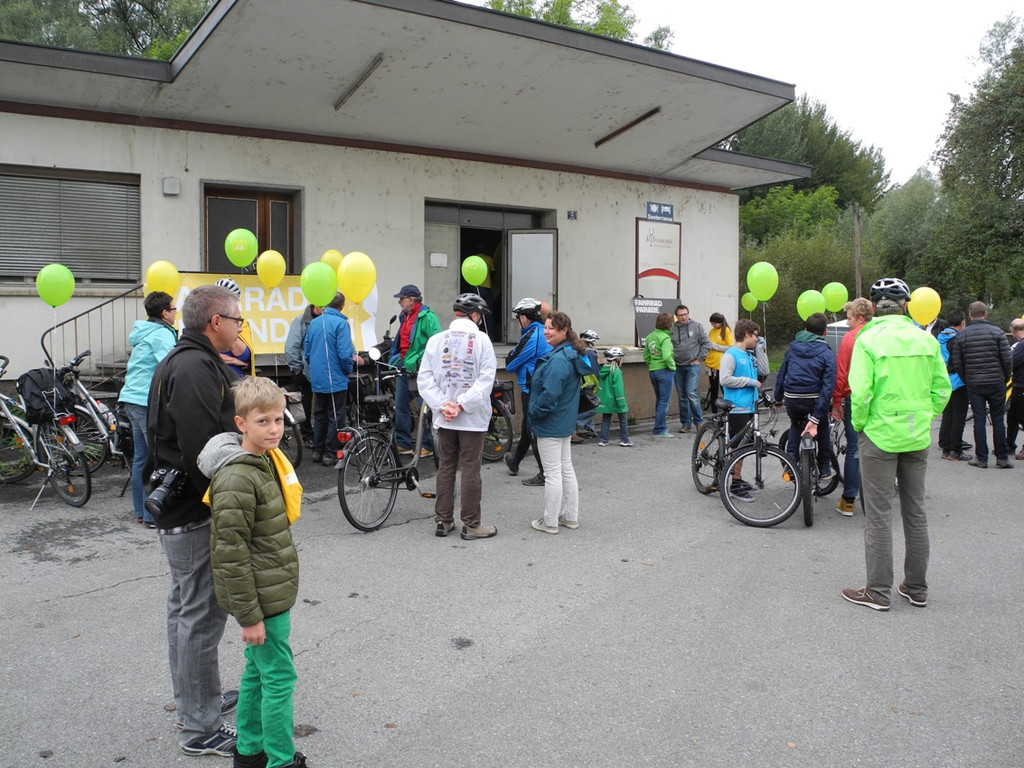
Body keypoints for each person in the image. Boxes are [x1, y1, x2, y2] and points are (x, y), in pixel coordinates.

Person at [145, 284, 242, 757]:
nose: (240, 327)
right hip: (193, 510)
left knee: (186, 610)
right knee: (200, 615)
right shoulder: (195, 365)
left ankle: (197, 700)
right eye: (237, 319)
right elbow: (207, 449)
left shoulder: (185, 359)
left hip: (182, 507)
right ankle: (198, 726)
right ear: (215, 322)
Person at [198, 376, 307, 768]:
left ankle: (248, 752)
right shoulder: (238, 477)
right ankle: (280, 760)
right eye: (263, 421)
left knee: (257, 673)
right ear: (240, 424)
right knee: (279, 678)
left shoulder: (262, 459)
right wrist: (249, 615)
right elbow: (230, 554)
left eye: (278, 420)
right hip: (262, 597)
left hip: (270, 589)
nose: (274, 428)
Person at [842, 278, 951, 611]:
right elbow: (942, 390)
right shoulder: (925, 339)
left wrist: (861, 425)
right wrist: (923, 416)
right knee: (915, 513)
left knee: (878, 516)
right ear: (906, 306)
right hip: (916, 434)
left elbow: (860, 392)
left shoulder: (867, 339)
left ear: (873, 308)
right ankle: (916, 588)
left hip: (879, 435)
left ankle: (878, 591)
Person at [418, 293, 499, 541]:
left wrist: (443, 406)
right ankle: (472, 524)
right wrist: (461, 406)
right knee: (470, 469)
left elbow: (425, 379)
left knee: (446, 467)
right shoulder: (483, 341)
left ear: (457, 314)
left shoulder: (435, 340)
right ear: (474, 315)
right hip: (471, 419)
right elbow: (485, 381)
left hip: (445, 418)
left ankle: (443, 520)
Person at [528, 311, 594, 534]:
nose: (546, 331)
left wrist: (534, 414)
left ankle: (550, 522)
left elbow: (549, 396)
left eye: (551, 328)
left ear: (564, 331)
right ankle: (570, 516)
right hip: (564, 422)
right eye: (545, 327)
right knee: (565, 470)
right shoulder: (569, 354)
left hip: (550, 423)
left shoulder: (558, 359)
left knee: (553, 474)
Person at [118, 290, 177, 527]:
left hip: (131, 399)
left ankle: (141, 513)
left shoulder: (145, 331)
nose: (175, 313)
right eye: (173, 309)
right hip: (145, 401)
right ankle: (153, 515)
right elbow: (173, 366)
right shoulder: (161, 334)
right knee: (154, 457)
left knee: (141, 458)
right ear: (164, 313)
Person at [947, 300, 1013, 469]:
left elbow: (957, 362)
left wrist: (967, 378)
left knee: (979, 419)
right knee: (998, 420)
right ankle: (1002, 457)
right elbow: (1007, 359)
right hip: (996, 381)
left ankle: (981, 458)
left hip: (974, 383)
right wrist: (1005, 378)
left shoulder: (962, 335)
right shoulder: (998, 332)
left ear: (969, 315)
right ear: (986, 314)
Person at [774, 312, 837, 480]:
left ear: (805, 329)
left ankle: (791, 462)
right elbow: (828, 385)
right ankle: (824, 467)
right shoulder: (827, 352)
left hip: (792, 397)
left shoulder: (792, 349)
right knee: (822, 426)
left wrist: (778, 398)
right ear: (824, 333)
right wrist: (817, 415)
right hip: (815, 398)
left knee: (796, 425)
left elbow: (782, 375)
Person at [830, 297, 874, 515]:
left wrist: (836, 401)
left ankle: (848, 500)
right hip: (881, 399)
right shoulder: (880, 335)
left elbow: (842, 373)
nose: (846, 323)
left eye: (848, 318)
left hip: (855, 398)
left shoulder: (850, 338)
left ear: (859, 318)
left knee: (855, 449)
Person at [504, 297, 552, 486]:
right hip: (538, 386)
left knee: (532, 430)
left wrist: (517, 360)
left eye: (518, 316)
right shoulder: (541, 331)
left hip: (531, 388)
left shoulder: (532, 335)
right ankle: (514, 463)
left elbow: (510, 363)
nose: (518, 320)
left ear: (524, 318)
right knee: (527, 428)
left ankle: (544, 473)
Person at [389, 284, 441, 457]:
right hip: (405, 367)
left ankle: (428, 445)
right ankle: (404, 442)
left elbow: (436, 344)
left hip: (420, 370)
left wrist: (419, 360)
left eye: (401, 298)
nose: (399, 302)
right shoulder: (405, 316)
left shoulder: (428, 317)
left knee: (424, 408)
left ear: (411, 300)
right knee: (400, 405)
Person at [304, 292, 355, 467]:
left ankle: (318, 451)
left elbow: (308, 353)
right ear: (342, 305)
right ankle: (330, 452)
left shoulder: (314, 323)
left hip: (318, 377)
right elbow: (344, 353)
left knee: (319, 415)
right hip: (336, 377)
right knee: (335, 415)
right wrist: (348, 370)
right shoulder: (341, 324)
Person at [719, 319, 763, 503]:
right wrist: (749, 381)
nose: (757, 339)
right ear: (746, 334)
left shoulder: (750, 356)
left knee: (745, 446)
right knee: (739, 447)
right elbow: (725, 379)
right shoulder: (731, 355)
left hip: (750, 406)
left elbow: (762, 373)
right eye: (755, 335)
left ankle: (737, 477)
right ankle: (734, 484)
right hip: (737, 407)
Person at [284, 303, 323, 447]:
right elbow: (291, 347)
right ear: (314, 306)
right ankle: (307, 435)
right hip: (303, 370)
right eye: (322, 306)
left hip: (321, 370)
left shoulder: (327, 319)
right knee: (304, 404)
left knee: (321, 405)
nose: (325, 309)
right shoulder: (300, 321)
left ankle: (320, 436)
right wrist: (297, 369)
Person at [936, 310, 970, 462]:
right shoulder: (958, 339)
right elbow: (960, 362)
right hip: (958, 381)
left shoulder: (940, 337)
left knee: (948, 415)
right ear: (962, 323)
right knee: (959, 416)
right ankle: (955, 450)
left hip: (944, 380)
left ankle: (945, 446)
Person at [670, 304, 710, 432]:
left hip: (693, 366)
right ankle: (686, 423)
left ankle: (698, 422)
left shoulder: (696, 326)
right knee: (682, 396)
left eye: (685, 314)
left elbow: (706, 343)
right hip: (677, 366)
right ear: (676, 316)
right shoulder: (672, 329)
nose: (683, 317)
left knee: (691, 393)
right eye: (681, 315)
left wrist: (699, 358)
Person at [642, 312, 676, 438]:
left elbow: (645, 355)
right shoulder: (665, 338)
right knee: (664, 401)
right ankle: (660, 429)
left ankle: (660, 426)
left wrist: (652, 364)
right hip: (665, 371)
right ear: (669, 325)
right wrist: (673, 367)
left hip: (653, 371)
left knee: (659, 400)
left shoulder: (650, 336)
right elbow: (667, 356)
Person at [214, 278, 255, 377]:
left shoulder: (242, 323)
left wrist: (230, 324)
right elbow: (205, 353)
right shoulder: (208, 321)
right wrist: (233, 360)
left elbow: (244, 354)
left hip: (238, 379)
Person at [595, 346, 632, 447]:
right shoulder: (616, 371)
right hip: (616, 400)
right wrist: (622, 403)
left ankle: (603, 439)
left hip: (606, 400)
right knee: (623, 418)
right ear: (618, 359)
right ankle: (624, 439)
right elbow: (618, 389)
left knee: (606, 419)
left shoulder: (603, 370)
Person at [573, 328, 601, 441]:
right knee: (592, 405)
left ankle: (590, 429)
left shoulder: (578, 351)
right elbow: (594, 370)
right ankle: (574, 421)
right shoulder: (591, 353)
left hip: (580, 382)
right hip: (589, 383)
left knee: (585, 404)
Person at [705, 313, 733, 413]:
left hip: (721, 365)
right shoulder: (712, 331)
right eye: (711, 323)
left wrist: (715, 346)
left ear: (720, 323)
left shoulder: (726, 331)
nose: (713, 325)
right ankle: (714, 411)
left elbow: (730, 347)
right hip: (711, 363)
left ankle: (727, 410)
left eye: (714, 323)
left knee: (724, 388)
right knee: (713, 389)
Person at [1006, 319, 1024, 460]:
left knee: (1021, 417)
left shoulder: (1021, 345)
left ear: (1012, 330)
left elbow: (1012, 363)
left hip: (1021, 385)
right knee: (1012, 416)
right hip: (1018, 384)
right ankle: (1009, 445)